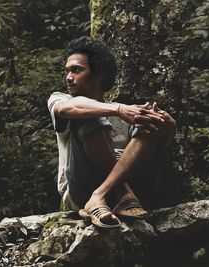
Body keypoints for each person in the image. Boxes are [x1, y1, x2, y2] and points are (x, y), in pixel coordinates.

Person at [48, 36, 176, 228]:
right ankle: (111, 194)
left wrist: (167, 125)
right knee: (85, 115)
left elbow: (163, 133)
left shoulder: (129, 116)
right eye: (67, 71)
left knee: (150, 122)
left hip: (135, 193)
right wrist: (119, 109)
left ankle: (110, 194)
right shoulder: (62, 99)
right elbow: (68, 109)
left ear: (98, 74)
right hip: (83, 188)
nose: (68, 77)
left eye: (76, 70)